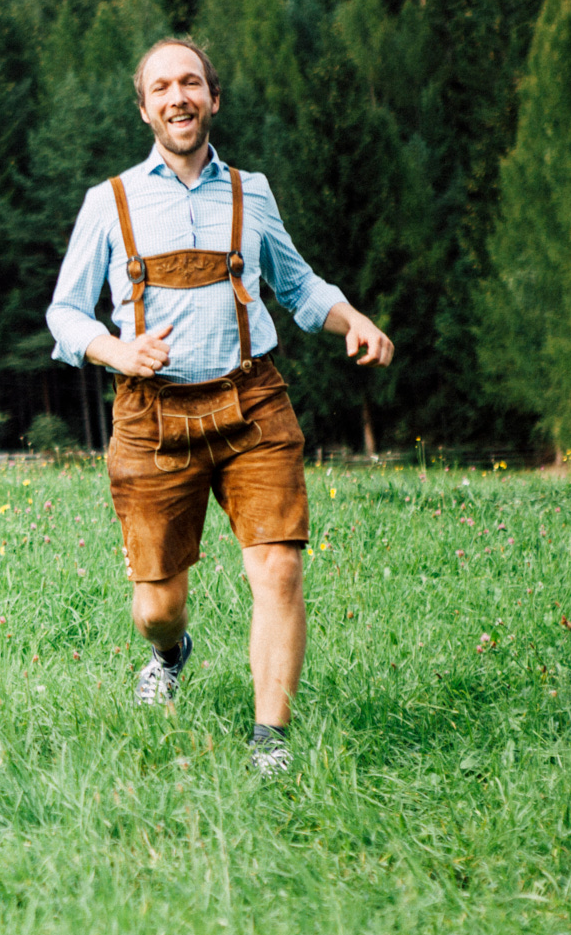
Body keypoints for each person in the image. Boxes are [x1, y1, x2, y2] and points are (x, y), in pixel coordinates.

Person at [46, 38, 394, 773]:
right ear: (144, 108)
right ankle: (170, 653)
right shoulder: (108, 202)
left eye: (192, 83)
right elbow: (66, 314)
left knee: (277, 569)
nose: (179, 96)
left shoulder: (252, 192)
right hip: (151, 415)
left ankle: (271, 741)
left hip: (252, 402)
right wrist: (116, 351)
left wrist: (352, 317)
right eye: (163, 87)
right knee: (156, 605)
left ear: (213, 98)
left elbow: (300, 288)